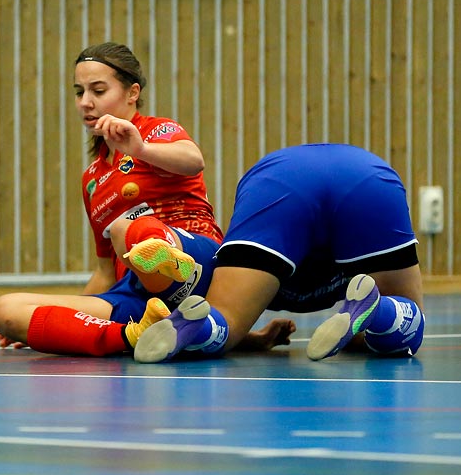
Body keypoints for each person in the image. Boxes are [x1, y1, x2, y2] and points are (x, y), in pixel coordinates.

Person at [0, 42, 292, 356]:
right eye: (79, 92)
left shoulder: (156, 131)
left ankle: (170, 273)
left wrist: (140, 150)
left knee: (125, 229)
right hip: (136, 294)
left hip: (196, 259)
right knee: (5, 310)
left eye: (98, 90)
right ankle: (140, 334)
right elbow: (106, 272)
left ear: (132, 93)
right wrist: (65, 323)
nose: (85, 102)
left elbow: (194, 160)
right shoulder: (92, 179)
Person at [132, 144, 426, 364]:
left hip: (278, 178)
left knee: (226, 319)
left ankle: (200, 326)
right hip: (366, 175)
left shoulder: (215, 264)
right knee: (408, 329)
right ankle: (379, 312)